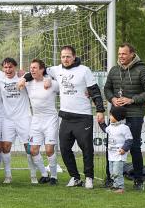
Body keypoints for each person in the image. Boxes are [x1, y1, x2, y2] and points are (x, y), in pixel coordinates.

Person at [29, 45, 105, 189]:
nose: (65, 59)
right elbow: (37, 70)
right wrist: (37, 78)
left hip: (83, 116)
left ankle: (89, 177)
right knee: (64, 149)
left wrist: (100, 110)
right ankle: (75, 177)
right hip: (66, 117)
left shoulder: (84, 70)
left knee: (87, 149)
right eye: (63, 56)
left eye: (68, 56)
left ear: (74, 57)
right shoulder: (56, 70)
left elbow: (94, 91)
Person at [103, 43, 145, 191]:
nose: (121, 56)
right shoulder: (114, 70)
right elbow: (107, 89)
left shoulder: (142, 70)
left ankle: (138, 180)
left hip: (135, 114)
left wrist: (132, 99)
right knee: (112, 146)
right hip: (116, 115)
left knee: (134, 146)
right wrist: (112, 99)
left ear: (132, 54)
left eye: (124, 54)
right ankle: (110, 179)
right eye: (119, 54)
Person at [0, 58, 38, 185]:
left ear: (15, 67)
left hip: (24, 118)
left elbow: (36, 73)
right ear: (3, 68)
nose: (8, 70)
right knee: (5, 147)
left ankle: (33, 176)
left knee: (28, 148)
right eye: (5, 67)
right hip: (8, 119)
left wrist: (24, 76)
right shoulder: (0, 76)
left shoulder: (22, 77)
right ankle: (8, 175)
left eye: (10, 67)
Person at [20, 59, 60, 185]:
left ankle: (54, 176)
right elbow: (18, 82)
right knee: (33, 150)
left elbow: (65, 90)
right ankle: (44, 174)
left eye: (35, 68)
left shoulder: (52, 83)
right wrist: (23, 79)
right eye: (31, 68)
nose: (32, 70)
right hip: (36, 119)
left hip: (50, 119)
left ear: (42, 69)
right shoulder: (28, 83)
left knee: (49, 150)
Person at [101, 106, 134, 194]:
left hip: (119, 155)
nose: (110, 117)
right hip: (111, 155)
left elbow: (130, 140)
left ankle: (120, 188)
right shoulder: (110, 127)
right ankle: (115, 186)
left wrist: (124, 149)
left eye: (111, 115)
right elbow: (105, 130)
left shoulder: (124, 128)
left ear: (117, 116)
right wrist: (101, 123)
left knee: (117, 172)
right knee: (112, 172)